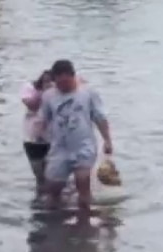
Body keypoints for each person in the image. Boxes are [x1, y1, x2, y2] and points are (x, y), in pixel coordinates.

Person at [39, 60, 113, 210]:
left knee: (82, 181)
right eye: (59, 83)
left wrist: (107, 140)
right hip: (59, 148)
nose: (63, 86)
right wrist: (40, 140)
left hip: (83, 146)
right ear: (55, 81)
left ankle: (84, 221)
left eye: (67, 82)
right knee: (53, 189)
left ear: (73, 77)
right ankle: (53, 219)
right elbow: (43, 120)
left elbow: (100, 118)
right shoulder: (48, 96)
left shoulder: (88, 94)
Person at [21, 71, 53, 189]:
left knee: (54, 176)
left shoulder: (60, 94)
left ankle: (54, 199)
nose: (49, 84)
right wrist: (43, 93)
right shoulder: (29, 89)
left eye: (52, 81)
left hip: (54, 141)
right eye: (46, 81)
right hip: (33, 141)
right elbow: (32, 105)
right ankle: (41, 199)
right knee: (39, 176)